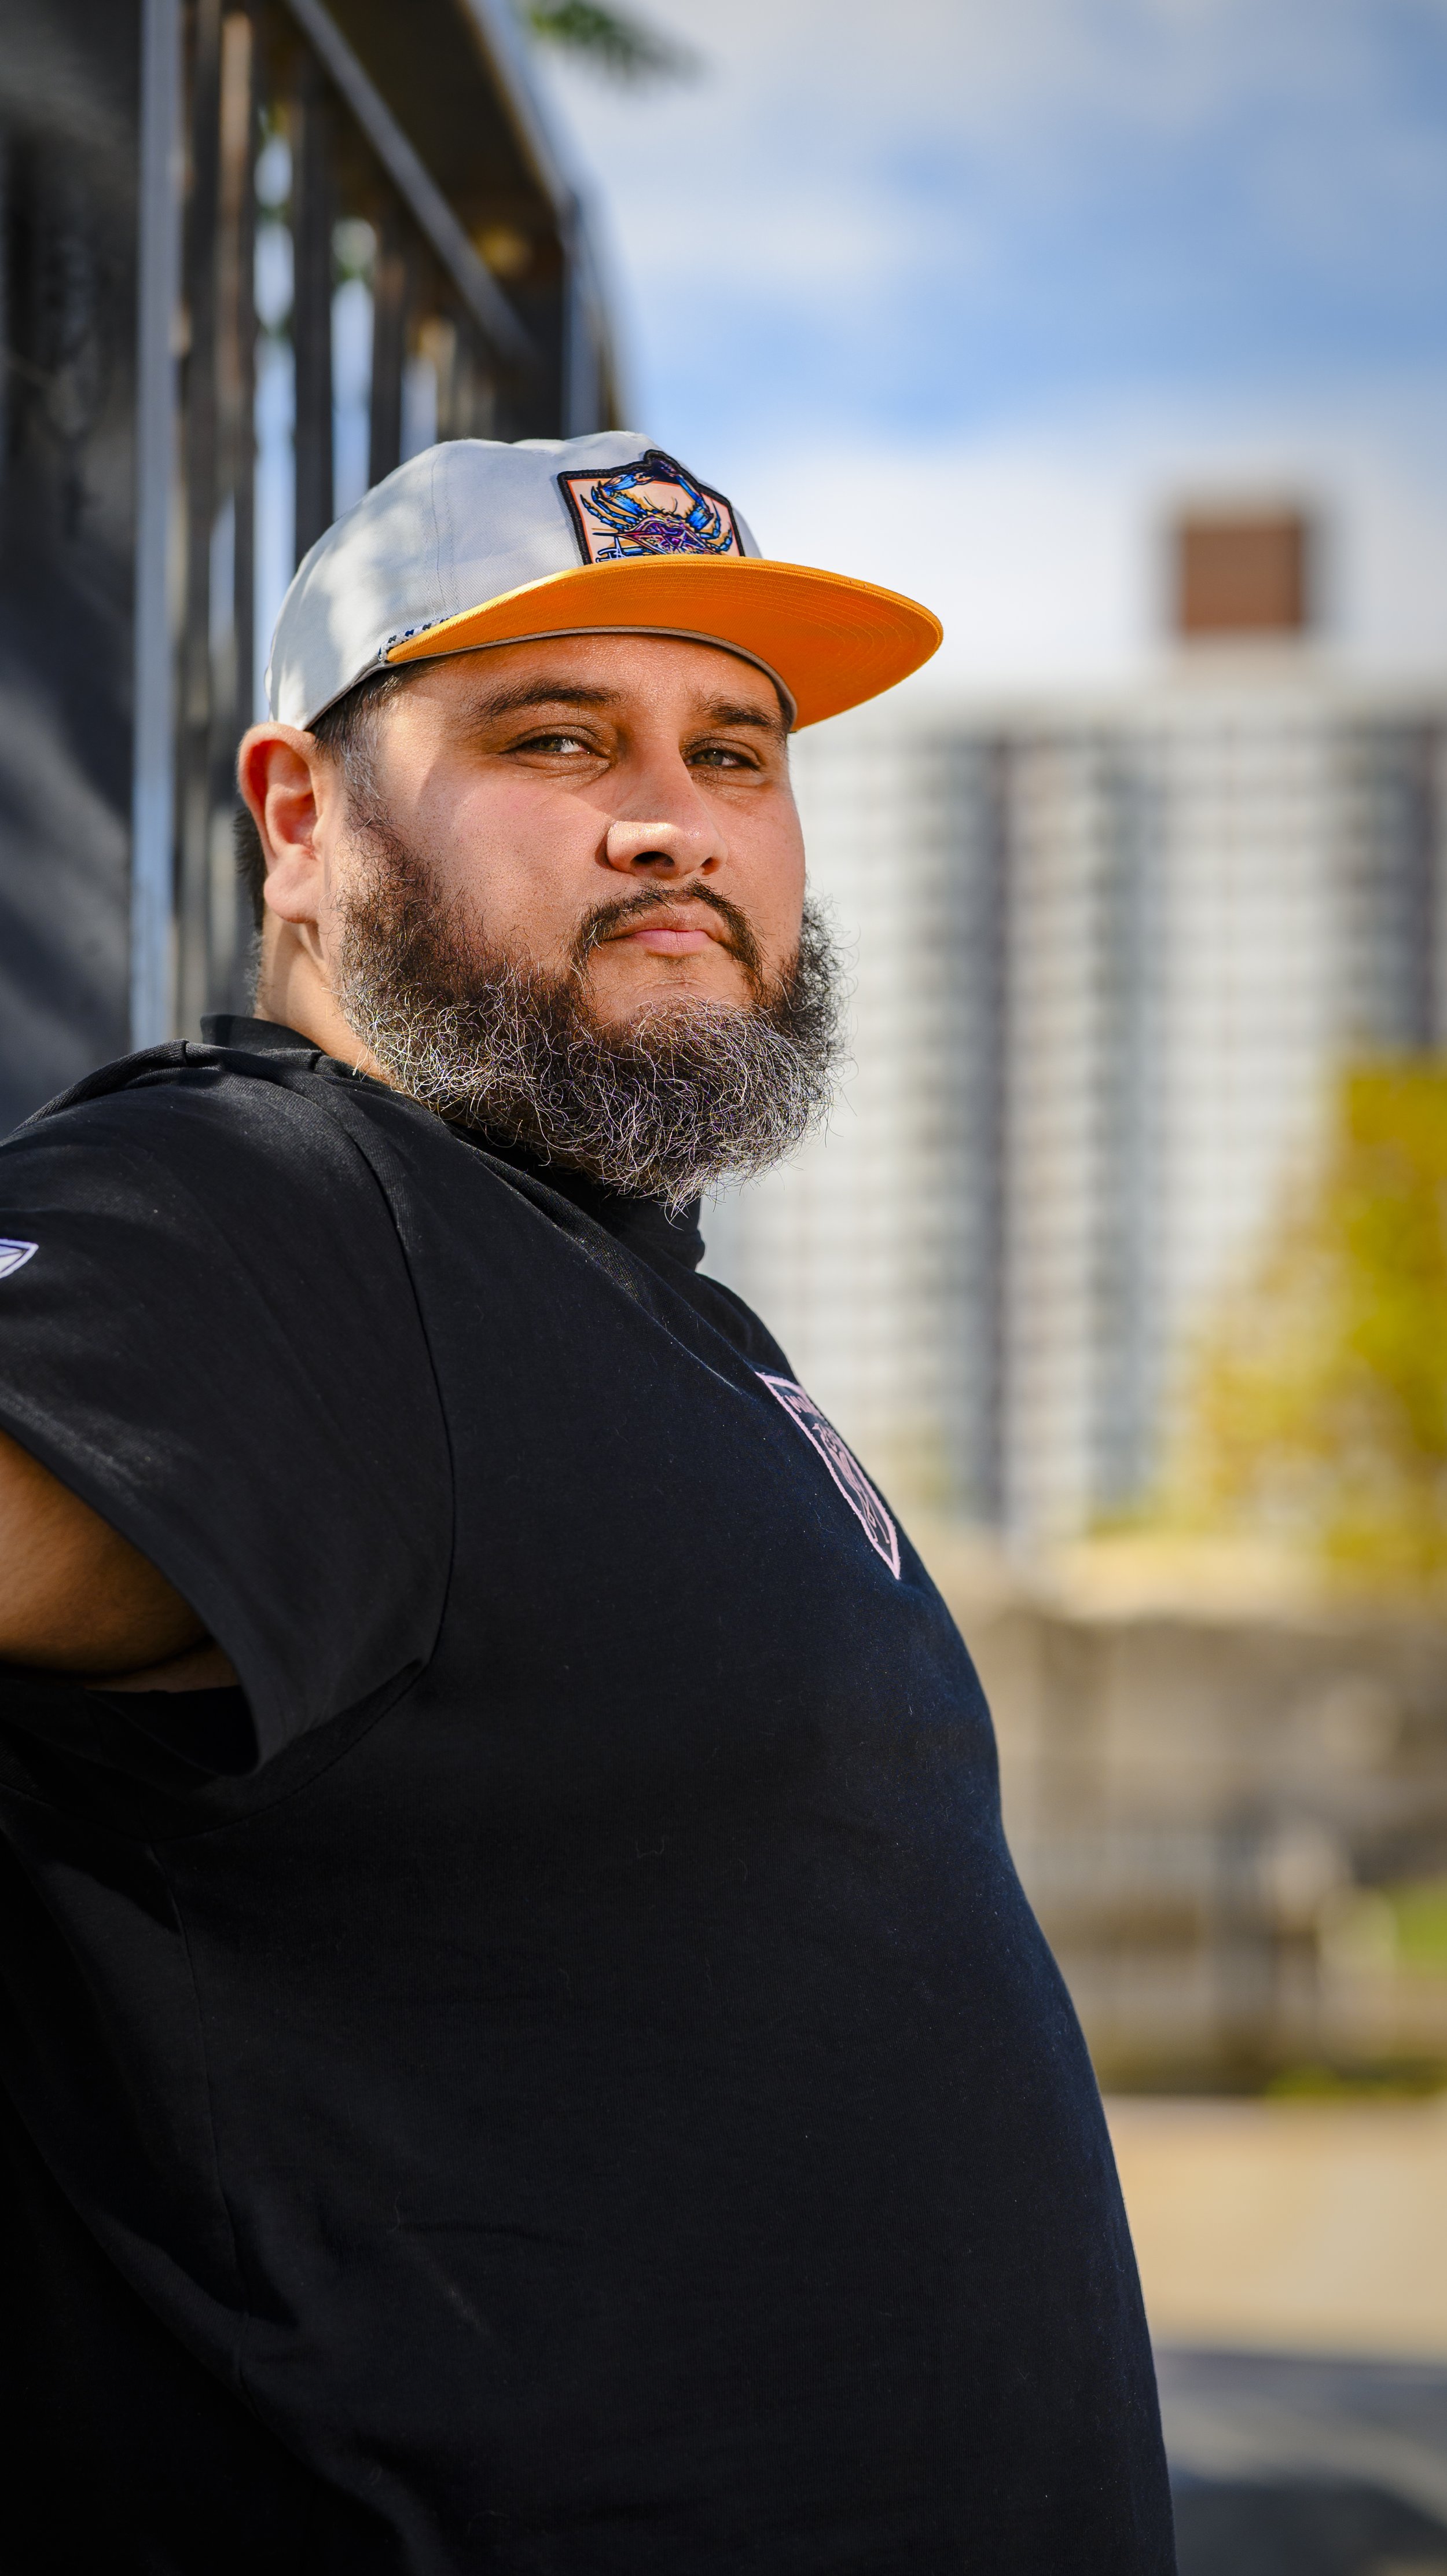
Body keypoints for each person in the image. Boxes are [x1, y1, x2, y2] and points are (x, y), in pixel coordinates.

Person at [0, 436, 1175, 2572]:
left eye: (735, 751)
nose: (672, 818)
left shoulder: (624, 1291)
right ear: (301, 820)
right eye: (555, 738)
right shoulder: (267, 1206)